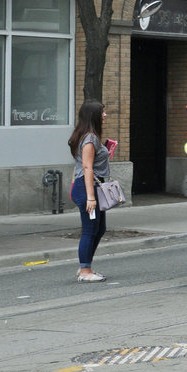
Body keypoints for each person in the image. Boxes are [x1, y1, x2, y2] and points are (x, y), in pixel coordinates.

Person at [68, 99, 111, 283]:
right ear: (93, 115)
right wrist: (90, 197)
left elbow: (79, 165)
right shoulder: (90, 138)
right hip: (88, 188)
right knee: (90, 229)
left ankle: (86, 267)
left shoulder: (84, 135)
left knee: (99, 228)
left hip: (85, 186)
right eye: (102, 112)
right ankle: (85, 270)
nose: (105, 115)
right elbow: (86, 167)